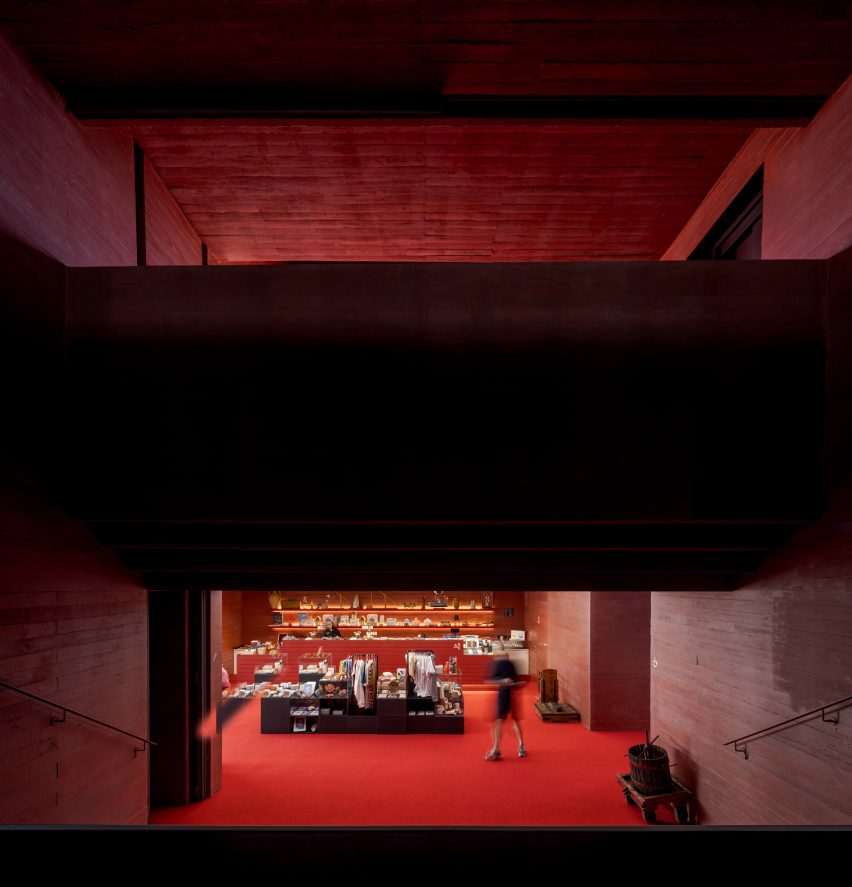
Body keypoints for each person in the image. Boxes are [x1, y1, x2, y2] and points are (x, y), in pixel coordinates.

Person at [485, 650, 526, 760]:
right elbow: (489, 681)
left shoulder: (510, 665)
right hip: (502, 694)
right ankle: (496, 749)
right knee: (498, 721)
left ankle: (521, 745)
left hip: (512, 694)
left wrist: (516, 683)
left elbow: (516, 681)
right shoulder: (495, 665)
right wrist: (503, 681)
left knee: (515, 721)